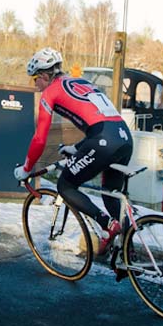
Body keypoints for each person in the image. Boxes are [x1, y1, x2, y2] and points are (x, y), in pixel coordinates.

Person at [14, 47, 134, 256]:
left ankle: (107, 225)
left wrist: (26, 169)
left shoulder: (50, 92)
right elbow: (98, 121)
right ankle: (127, 254)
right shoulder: (82, 82)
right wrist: (77, 148)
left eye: (35, 79)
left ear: (44, 75)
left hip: (103, 140)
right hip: (124, 137)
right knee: (112, 196)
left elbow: (40, 138)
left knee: (66, 185)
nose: (35, 85)